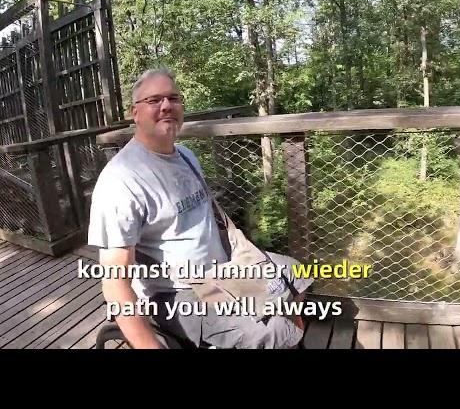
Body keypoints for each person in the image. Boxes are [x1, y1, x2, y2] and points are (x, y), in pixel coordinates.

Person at [88, 68, 313, 349]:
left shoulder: (186, 155)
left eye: (173, 98)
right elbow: (114, 283)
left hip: (225, 269)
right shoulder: (121, 180)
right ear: (135, 113)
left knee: (297, 273)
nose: (166, 106)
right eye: (154, 100)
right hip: (180, 293)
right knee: (273, 333)